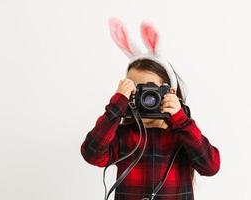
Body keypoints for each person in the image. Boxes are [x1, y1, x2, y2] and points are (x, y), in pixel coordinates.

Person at [80, 18, 220, 200]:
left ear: (169, 91)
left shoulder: (183, 135)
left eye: (150, 89)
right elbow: (92, 153)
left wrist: (180, 120)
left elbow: (210, 166)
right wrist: (116, 107)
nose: (144, 96)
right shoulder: (124, 135)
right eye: (135, 89)